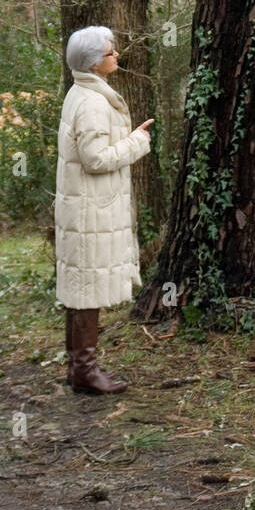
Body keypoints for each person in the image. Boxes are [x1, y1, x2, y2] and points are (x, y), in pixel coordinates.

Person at [55, 26, 153, 394]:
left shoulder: (82, 93)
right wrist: (137, 142)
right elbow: (95, 159)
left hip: (88, 208)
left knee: (83, 289)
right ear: (95, 62)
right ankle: (84, 371)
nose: (117, 57)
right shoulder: (93, 102)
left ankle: (79, 368)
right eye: (112, 53)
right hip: (91, 211)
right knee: (87, 291)